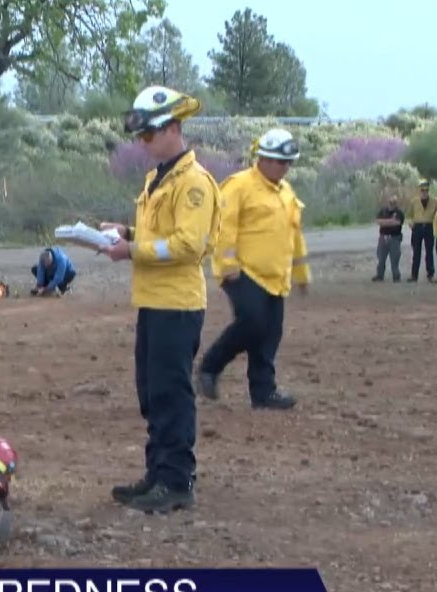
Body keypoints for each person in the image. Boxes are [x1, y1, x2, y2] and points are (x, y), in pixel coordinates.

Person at [84, 85, 221, 514]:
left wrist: (132, 249)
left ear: (174, 129)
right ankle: (158, 474)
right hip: (154, 301)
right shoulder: (158, 179)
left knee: (171, 394)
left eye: (148, 135)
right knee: (152, 392)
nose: (142, 144)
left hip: (177, 304)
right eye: (140, 137)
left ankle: (177, 481)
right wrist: (126, 233)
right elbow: (159, 235)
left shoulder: (194, 184)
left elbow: (187, 245)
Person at [196, 129, 309, 411]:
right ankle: (209, 367)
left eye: (289, 163)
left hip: (276, 277)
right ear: (264, 159)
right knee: (253, 322)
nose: (286, 168)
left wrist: (301, 274)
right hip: (243, 272)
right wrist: (228, 264)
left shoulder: (286, 192)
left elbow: (295, 235)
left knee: (270, 332)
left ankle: (264, 392)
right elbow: (224, 227)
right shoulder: (239, 186)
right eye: (281, 162)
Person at [408, 180, 437, 282]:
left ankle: (430, 274)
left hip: (429, 226)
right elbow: (409, 215)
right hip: (418, 226)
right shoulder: (414, 202)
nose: (424, 192)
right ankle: (414, 275)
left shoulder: (435, 201)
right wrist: (411, 223)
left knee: (429, 251)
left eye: (426, 190)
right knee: (416, 251)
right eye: (422, 190)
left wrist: (436, 226)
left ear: (428, 191)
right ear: (419, 191)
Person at [373, 195, 405, 282]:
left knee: (395, 258)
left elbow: (397, 223)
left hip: (395, 237)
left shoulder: (399, 212)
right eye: (390, 202)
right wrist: (390, 221)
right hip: (383, 237)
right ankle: (380, 275)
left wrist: (385, 222)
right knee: (381, 257)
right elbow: (378, 221)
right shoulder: (383, 211)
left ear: (396, 203)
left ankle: (396, 276)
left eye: (394, 202)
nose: (392, 204)